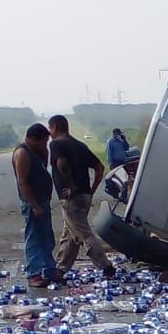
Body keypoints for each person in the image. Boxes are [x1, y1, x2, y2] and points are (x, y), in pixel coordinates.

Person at [47, 115, 114, 275]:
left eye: (50, 129)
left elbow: (61, 163)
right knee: (70, 233)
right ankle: (61, 269)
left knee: (83, 233)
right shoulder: (80, 145)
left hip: (71, 197)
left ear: (55, 127)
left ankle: (106, 266)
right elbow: (99, 167)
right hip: (84, 195)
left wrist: (70, 185)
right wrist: (91, 190)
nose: (50, 133)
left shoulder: (56, 145)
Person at [11, 122, 58, 288]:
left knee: (46, 237)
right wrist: (35, 205)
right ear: (32, 138)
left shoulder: (37, 151)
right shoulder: (22, 153)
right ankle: (34, 274)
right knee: (34, 238)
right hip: (33, 203)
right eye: (42, 141)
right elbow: (23, 182)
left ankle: (50, 270)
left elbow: (44, 168)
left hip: (43, 200)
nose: (45, 145)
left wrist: (44, 150)